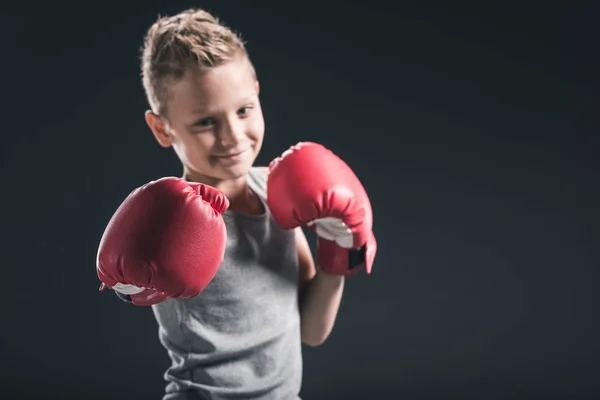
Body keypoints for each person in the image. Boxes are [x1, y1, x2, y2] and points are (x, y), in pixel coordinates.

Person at [96, 8, 376, 400]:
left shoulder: (278, 193)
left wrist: (337, 253)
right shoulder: (167, 219)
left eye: (243, 110)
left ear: (257, 94)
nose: (232, 136)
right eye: (206, 122)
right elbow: (126, 280)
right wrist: (127, 283)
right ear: (162, 128)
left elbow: (311, 332)